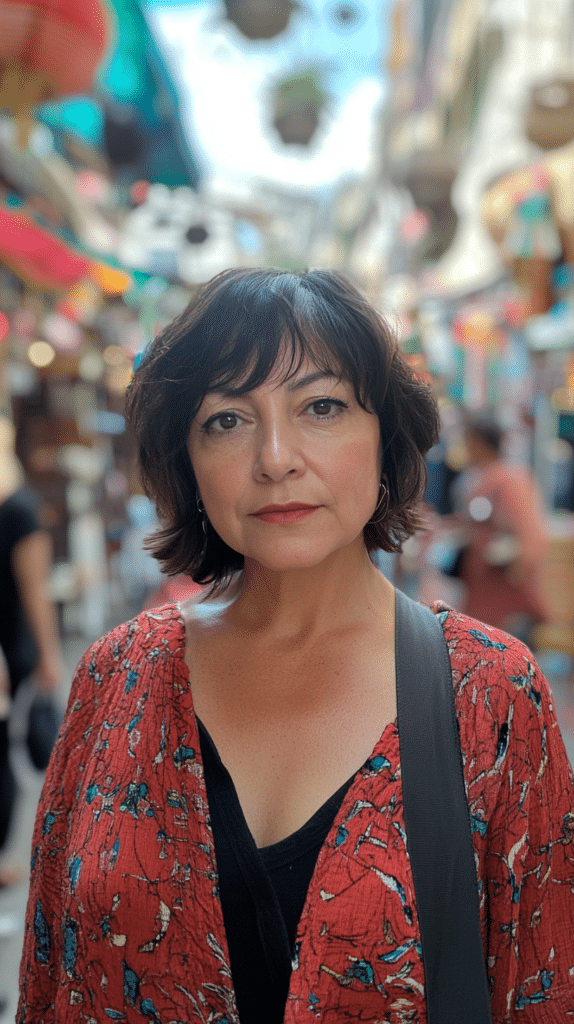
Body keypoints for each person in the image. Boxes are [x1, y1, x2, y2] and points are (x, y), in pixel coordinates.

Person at [17, 269, 574, 1023]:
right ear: (187, 457)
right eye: (226, 419)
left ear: (385, 438)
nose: (275, 457)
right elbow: (49, 975)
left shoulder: (491, 695)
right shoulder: (117, 676)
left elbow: (543, 989)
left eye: (321, 406)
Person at [0, 417, 63, 881]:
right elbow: (34, 590)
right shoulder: (22, 509)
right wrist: (49, 653)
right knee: (9, 755)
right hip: (13, 651)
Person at [457, 410, 549, 639]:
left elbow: (531, 537)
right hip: (485, 592)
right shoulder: (485, 478)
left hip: (506, 599)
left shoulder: (509, 480)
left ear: (477, 441)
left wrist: (520, 569)